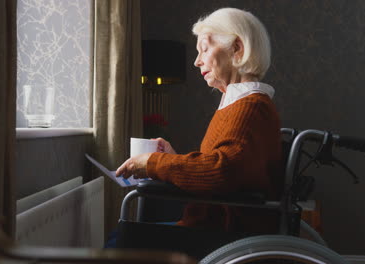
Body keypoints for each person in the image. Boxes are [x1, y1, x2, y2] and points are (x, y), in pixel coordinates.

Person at [117, 7, 282, 235]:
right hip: (208, 227)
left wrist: (155, 162)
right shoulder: (237, 104)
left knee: (123, 238)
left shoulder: (251, 107)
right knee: (124, 235)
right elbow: (224, 166)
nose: (196, 61)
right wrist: (174, 159)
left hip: (218, 234)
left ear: (237, 48)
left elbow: (221, 172)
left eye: (204, 49)